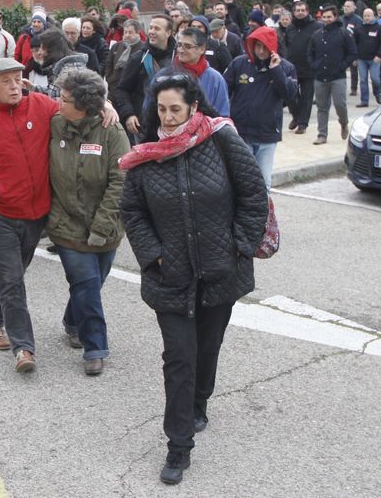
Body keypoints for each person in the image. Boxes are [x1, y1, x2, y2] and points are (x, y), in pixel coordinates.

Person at [120, 74, 268, 486]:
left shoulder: (221, 140)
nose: (167, 118)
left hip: (222, 270)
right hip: (171, 276)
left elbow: (254, 194)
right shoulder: (145, 155)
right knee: (179, 357)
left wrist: (239, 246)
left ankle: (200, 402)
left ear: (193, 107)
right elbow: (132, 211)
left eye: (176, 110)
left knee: (208, 346)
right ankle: (178, 447)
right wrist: (154, 256)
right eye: (161, 110)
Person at [0, 57, 117, 373]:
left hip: (35, 215)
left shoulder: (42, 107)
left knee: (14, 273)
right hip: (0, 215)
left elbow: (79, 102)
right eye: (6, 81)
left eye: (18, 78)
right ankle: (24, 348)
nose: (14, 85)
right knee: (13, 279)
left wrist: (107, 105)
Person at [47, 65, 129, 376]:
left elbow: (120, 182)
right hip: (66, 224)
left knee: (92, 285)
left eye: (65, 98)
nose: (59, 102)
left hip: (105, 226)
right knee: (87, 284)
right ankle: (95, 347)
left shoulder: (112, 133)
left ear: (84, 106)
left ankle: (71, 321)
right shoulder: (55, 122)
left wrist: (101, 227)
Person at [223, 26, 299, 189]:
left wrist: (275, 70)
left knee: (263, 183)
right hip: (242, 132)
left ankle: (263, 214)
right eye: (258, 46)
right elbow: (224, 90)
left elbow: (289, 94)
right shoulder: (239, 63)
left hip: (267, 134)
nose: (261, 51)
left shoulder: (286, 67)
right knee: (241, 182)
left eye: (265, 46)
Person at [114, 14, 177, 141]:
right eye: (151, 28)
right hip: (143, 125)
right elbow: (122, 90)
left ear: (168, 32)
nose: (152, 32)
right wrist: (129, 114)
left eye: (157, 29)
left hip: (173, 123)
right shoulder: (138, 58)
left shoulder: (178, 58)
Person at [307, 5, 356, 145]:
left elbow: (352, 52)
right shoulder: (317, 34)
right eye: (324, 17)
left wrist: (342, 66)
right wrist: (313, 65)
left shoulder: (344, 33)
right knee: (322, 107)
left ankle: (344, 122)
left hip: (337, 76)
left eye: (329, 17)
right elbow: (310, 52)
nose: (327, 19)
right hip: (320, 76)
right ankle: (322, 134)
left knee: (340, 104)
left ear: (335, 17)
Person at [284, 1, 322, 134]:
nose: (300, 12)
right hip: (292, 67)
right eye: (297, 10)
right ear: (293, 12)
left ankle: (302, 124)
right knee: (290, 95)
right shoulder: (290, 28)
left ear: (307, 11)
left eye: (302, 10)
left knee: (306, 97)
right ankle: (295, 116)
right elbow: (286, 44)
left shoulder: (317, 26)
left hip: (309, 67)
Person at [353, 8, 381, 106]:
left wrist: (379, 55)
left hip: (374, 59)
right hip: (361, 58)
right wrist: (354, 57)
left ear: (373, 16)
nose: (367, 18)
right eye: (365, 16)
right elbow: (354, 44)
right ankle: (364, 101)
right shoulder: (358, 28)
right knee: (363, 80)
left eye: (369, 16)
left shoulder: (379, 28)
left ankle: (377, 94)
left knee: (375, 78)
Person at [104, 18, 143, 99]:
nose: (127, 35)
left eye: (130, 32)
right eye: (125, 32)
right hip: (114, 89)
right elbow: (108, 64)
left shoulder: (142, 48)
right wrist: (110, 79)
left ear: (137, 33)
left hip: (133, 92)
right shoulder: (116, 46)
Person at [341, 0, 363, 97]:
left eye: (348, 6)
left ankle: (354, 88)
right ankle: (341, 86)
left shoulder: (358, 20)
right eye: (345, 6)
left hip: (353, 47)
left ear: (354, 8)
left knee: (354, 69)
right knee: (341, 68)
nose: (346, 8)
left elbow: (360, 35)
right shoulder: (340, 19)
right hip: (341, 48)